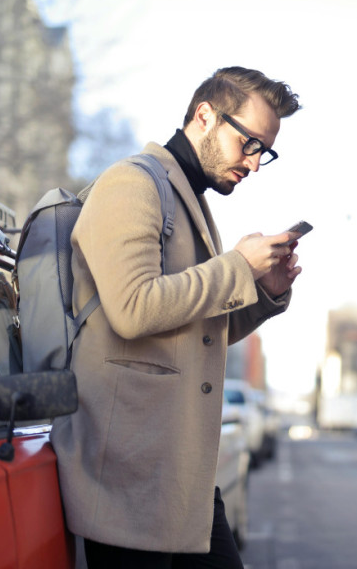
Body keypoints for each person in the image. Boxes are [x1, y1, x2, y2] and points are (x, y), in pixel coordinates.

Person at [50, 66, 303, 568]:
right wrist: (236, 268)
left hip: (177, 475)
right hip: (127, 479)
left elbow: (194, 330)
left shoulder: (189, 202)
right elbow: (134, 308)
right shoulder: (132, 183)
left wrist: (262, 294)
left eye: (264, 152)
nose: (254, 164)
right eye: (249, 143)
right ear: (205, 116)